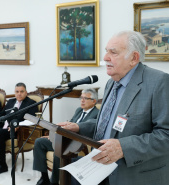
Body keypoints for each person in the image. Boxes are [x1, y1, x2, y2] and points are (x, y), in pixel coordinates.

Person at [68, 30, 169, 185]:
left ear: (134, 58)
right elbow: (109, 123)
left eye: (113, 52)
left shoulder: (159, 82)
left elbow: (165, 134)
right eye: (106, 51)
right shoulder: (112, 82)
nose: (105, 58)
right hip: (101, 170)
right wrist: (78, 127)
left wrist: (124, 147)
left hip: (135, 177)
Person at [33, 88, 99, 185]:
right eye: (81, 98)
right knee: (39, 142)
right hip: (65, 139)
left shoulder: (97, 114)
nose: (82, 100)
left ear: (94, 101)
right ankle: (44, 177)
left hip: (78, 144)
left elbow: (90, 132)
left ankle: (54, 182)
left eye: (85, 98)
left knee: (59, 150)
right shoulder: (79, 110)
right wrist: (54, 136)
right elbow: (68, 126)